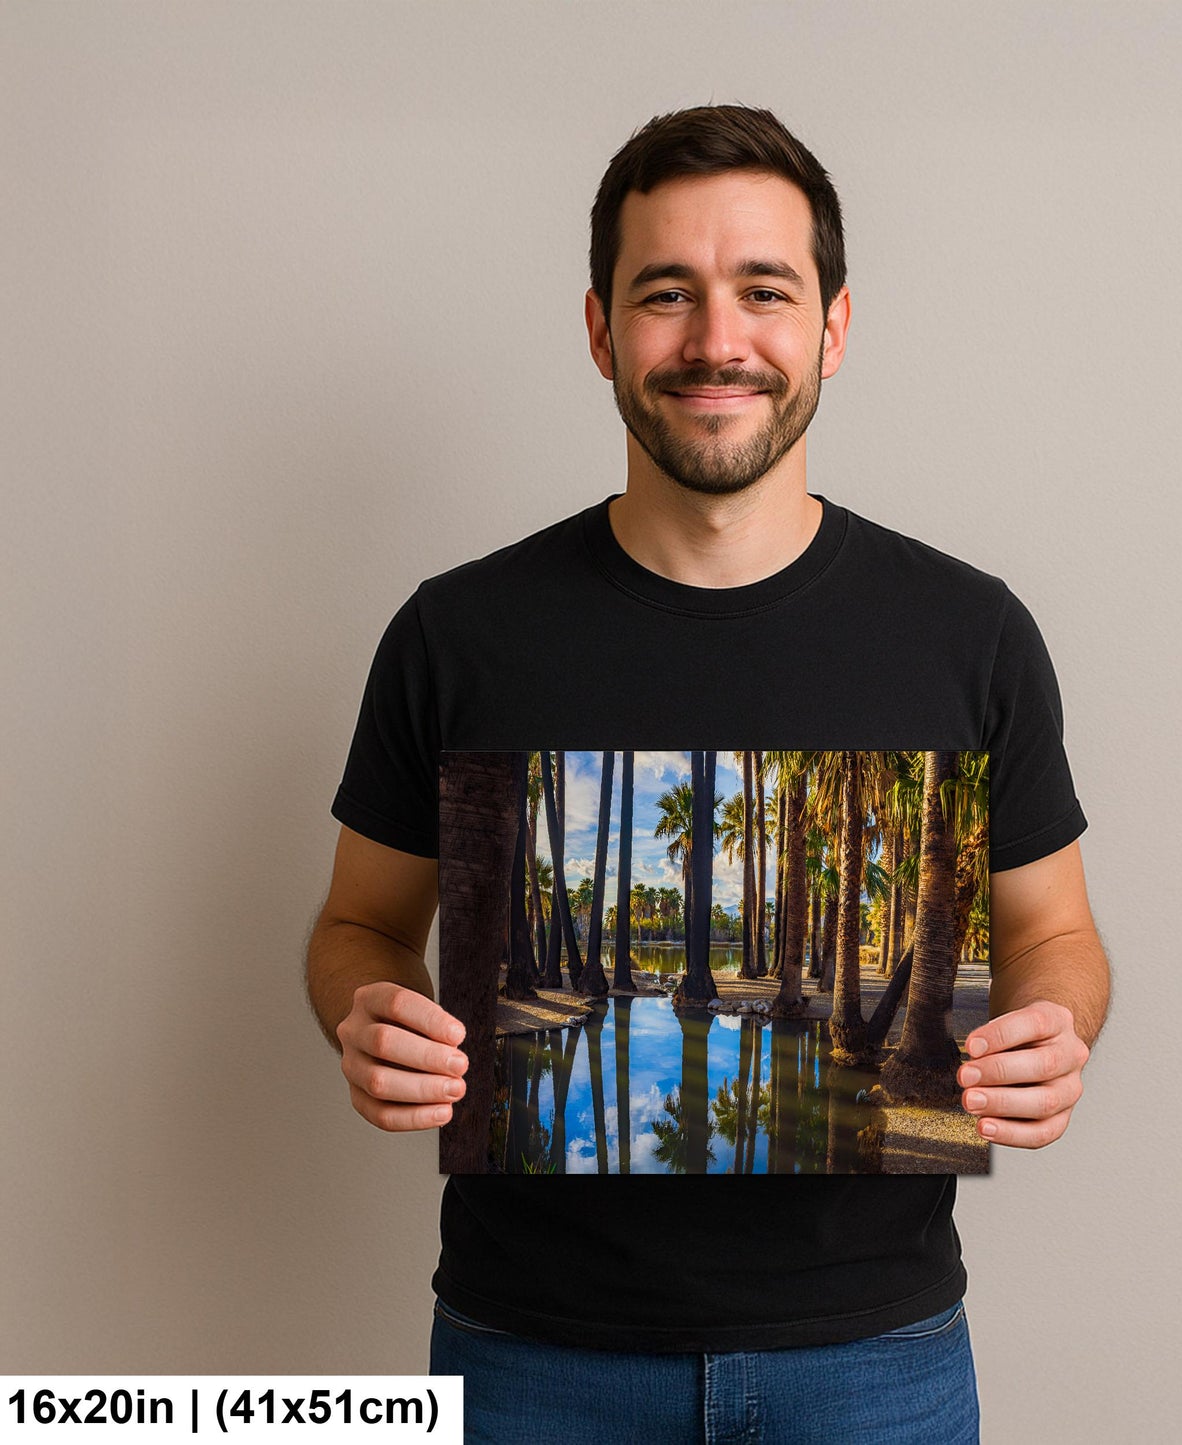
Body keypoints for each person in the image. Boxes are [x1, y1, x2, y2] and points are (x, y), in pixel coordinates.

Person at [306, 104, 1110, 1444]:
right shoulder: (459, 633)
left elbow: (1059, 935)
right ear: (599, 330)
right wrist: (369, 1010)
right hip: (530, 1358)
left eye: (763, 291)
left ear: (832, 329)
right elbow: (356, 924)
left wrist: (1052, 1028)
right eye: (665, 293)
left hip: (875, 1355)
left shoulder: (969, 634)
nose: (715, 339)